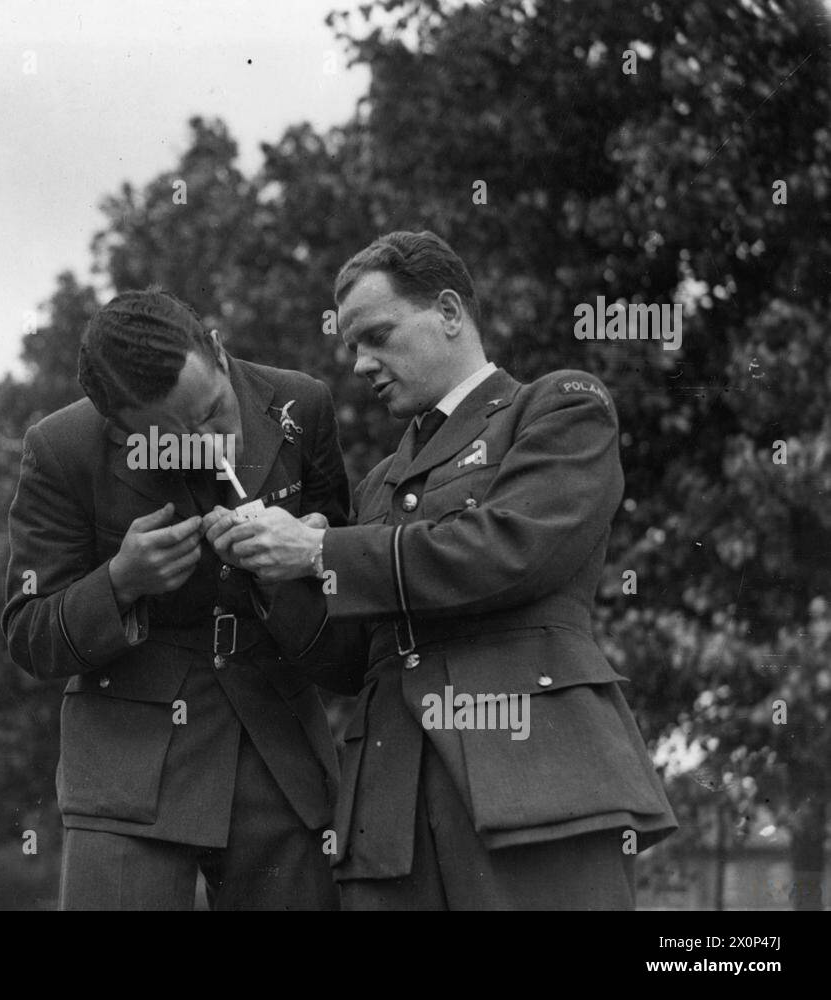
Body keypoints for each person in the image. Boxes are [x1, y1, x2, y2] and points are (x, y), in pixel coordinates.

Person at [205, 231, 677, 909]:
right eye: (352, 349)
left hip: (537, 785)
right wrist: (273, 569)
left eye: (378, 335)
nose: (362, 365)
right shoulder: (376, 486)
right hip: (390, 822)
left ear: (450, 312)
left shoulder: (561, 406)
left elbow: (508, 551)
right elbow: (348, 664)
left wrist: (320, 551)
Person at [3, 288, 352, 909]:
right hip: (126, 778)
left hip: (280, 758)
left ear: (217, 351)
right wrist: (120, 582)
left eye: (215, 411)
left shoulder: (306, 404)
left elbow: (345, 592)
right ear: (120, 426)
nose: (211, 443)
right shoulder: (62, 448)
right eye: (177, 435)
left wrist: (307, 556)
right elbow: (29, 632)